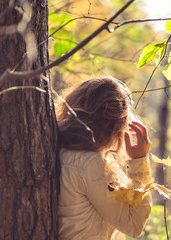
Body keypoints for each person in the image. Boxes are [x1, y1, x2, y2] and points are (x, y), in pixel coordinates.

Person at [56, 76, 153, 240]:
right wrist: (140, 162)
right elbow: (133, 225)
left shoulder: (63, 151)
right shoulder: (91, 164)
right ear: (113, 125)